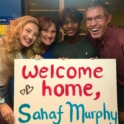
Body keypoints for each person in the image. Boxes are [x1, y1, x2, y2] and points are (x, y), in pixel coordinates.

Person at [85, 1, 124, 123]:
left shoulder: (121, 41)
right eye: (89, 19)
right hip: (103, 90)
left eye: (98, 18)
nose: (93, 24)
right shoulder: (89, 38)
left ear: (108, 19)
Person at [0, 15, 41, 124]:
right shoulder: (1, 45)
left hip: (6, 91)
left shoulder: (25, 53)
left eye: (35, 35)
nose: (31, 36)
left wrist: (37, 64)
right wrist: (2, 104)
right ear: (18, 29)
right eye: (28, 31)